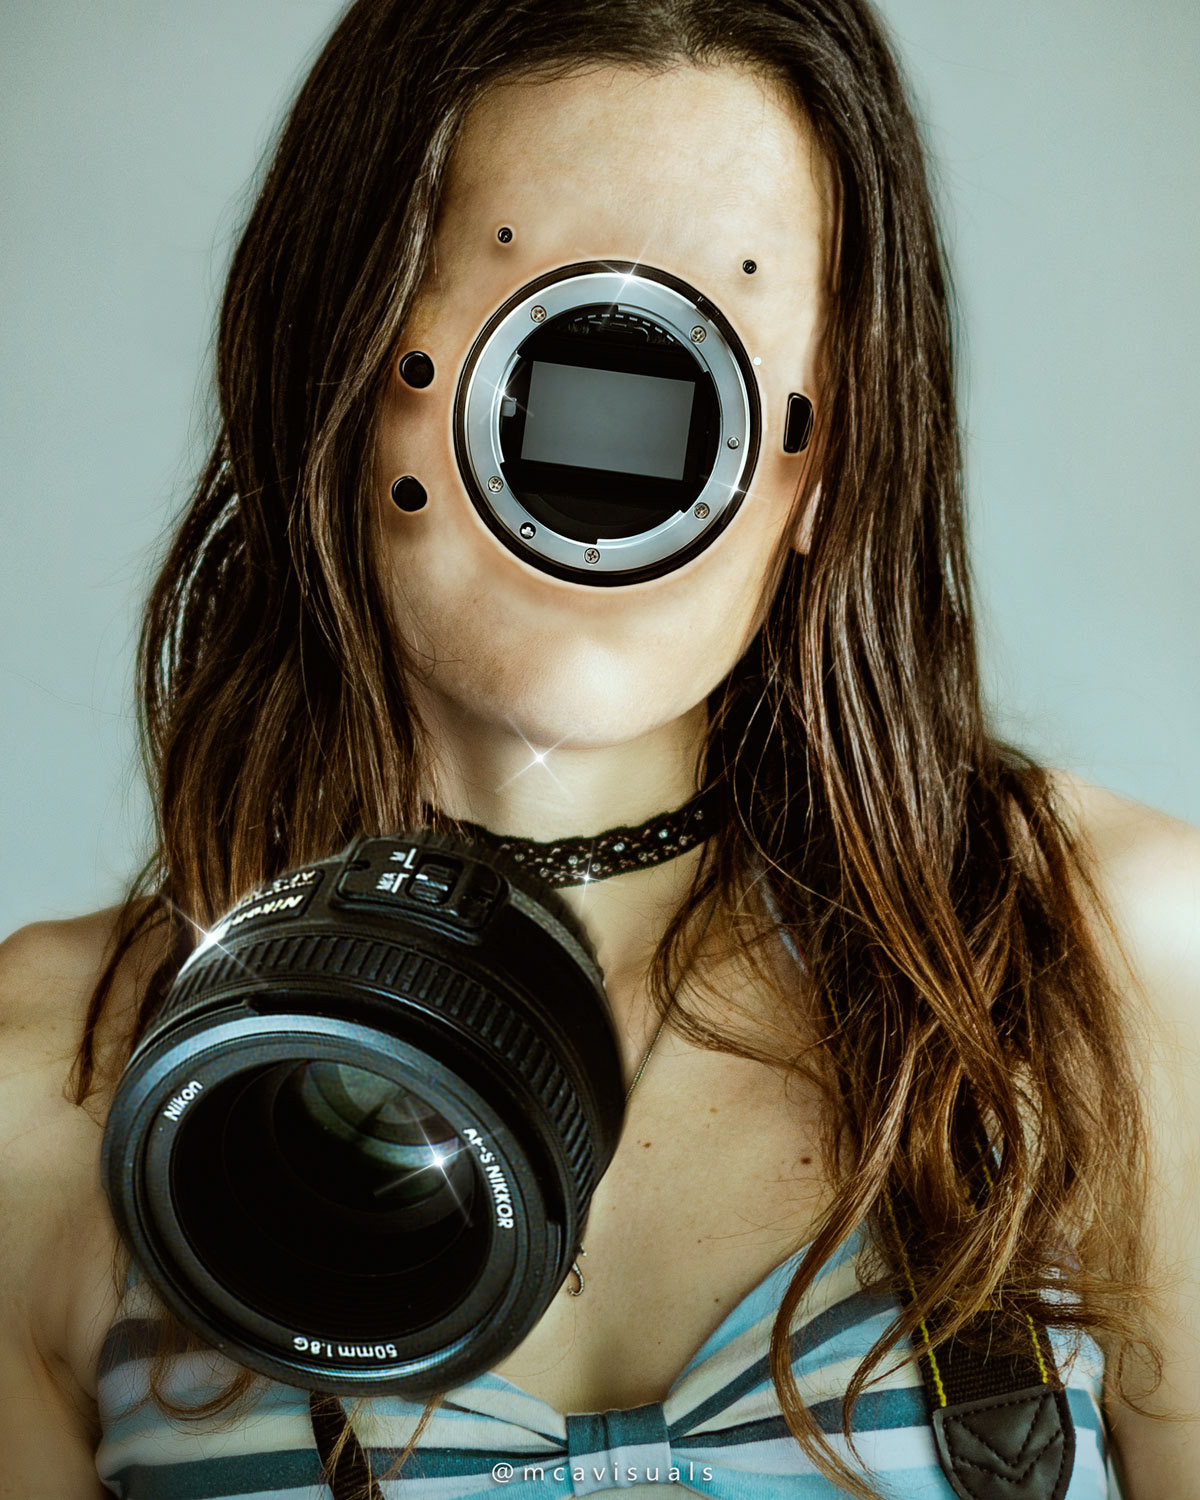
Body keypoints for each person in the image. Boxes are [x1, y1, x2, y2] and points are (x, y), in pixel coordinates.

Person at [1, 1, 1197, 1496]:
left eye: (718, 342)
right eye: (537, 315)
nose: (623, 452)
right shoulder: (42, 1094)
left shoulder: (1119, 963)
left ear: (831, 451)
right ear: (339, 368)